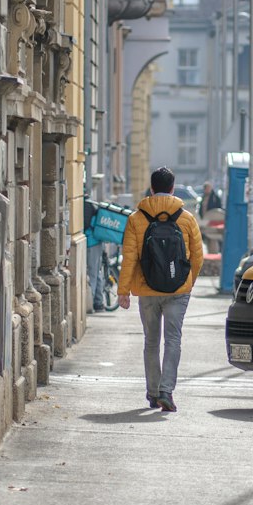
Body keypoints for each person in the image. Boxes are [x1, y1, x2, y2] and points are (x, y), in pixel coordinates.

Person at [118, 166, 204, 412]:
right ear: (173, 188)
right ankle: (167, 390)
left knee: (151, 341)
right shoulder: (187, 219)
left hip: (147, 290)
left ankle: (153, 392)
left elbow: (129, 258)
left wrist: (123, 290)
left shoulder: (136, 219)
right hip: (178, 290)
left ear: (152, 188)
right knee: (173, 340)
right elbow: (198, 257)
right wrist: (188, 282)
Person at [83, 195, 104, 312]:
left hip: (91, 242)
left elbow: (85, 225)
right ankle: (98, 302)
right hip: (97, 241)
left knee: (92, 273)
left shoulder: (85, 205)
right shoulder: (91, 203)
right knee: (96, 272)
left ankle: (89, 304)